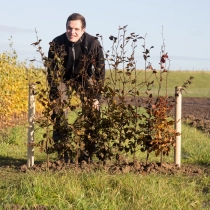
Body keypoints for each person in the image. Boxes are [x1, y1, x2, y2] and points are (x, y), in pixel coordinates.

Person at [47, 13, 105, 162]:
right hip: (62, 78)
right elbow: (52, 73)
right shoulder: (56, 43)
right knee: (59, 111)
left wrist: (96, 98)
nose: (72, 32)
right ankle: (63, 152)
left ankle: (87, 154)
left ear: (83, 30)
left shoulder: (93, 43)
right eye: (69, 28)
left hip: (84, 78)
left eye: (76, 29)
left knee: (93, 111)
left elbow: (100, 72)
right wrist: (55, 95)